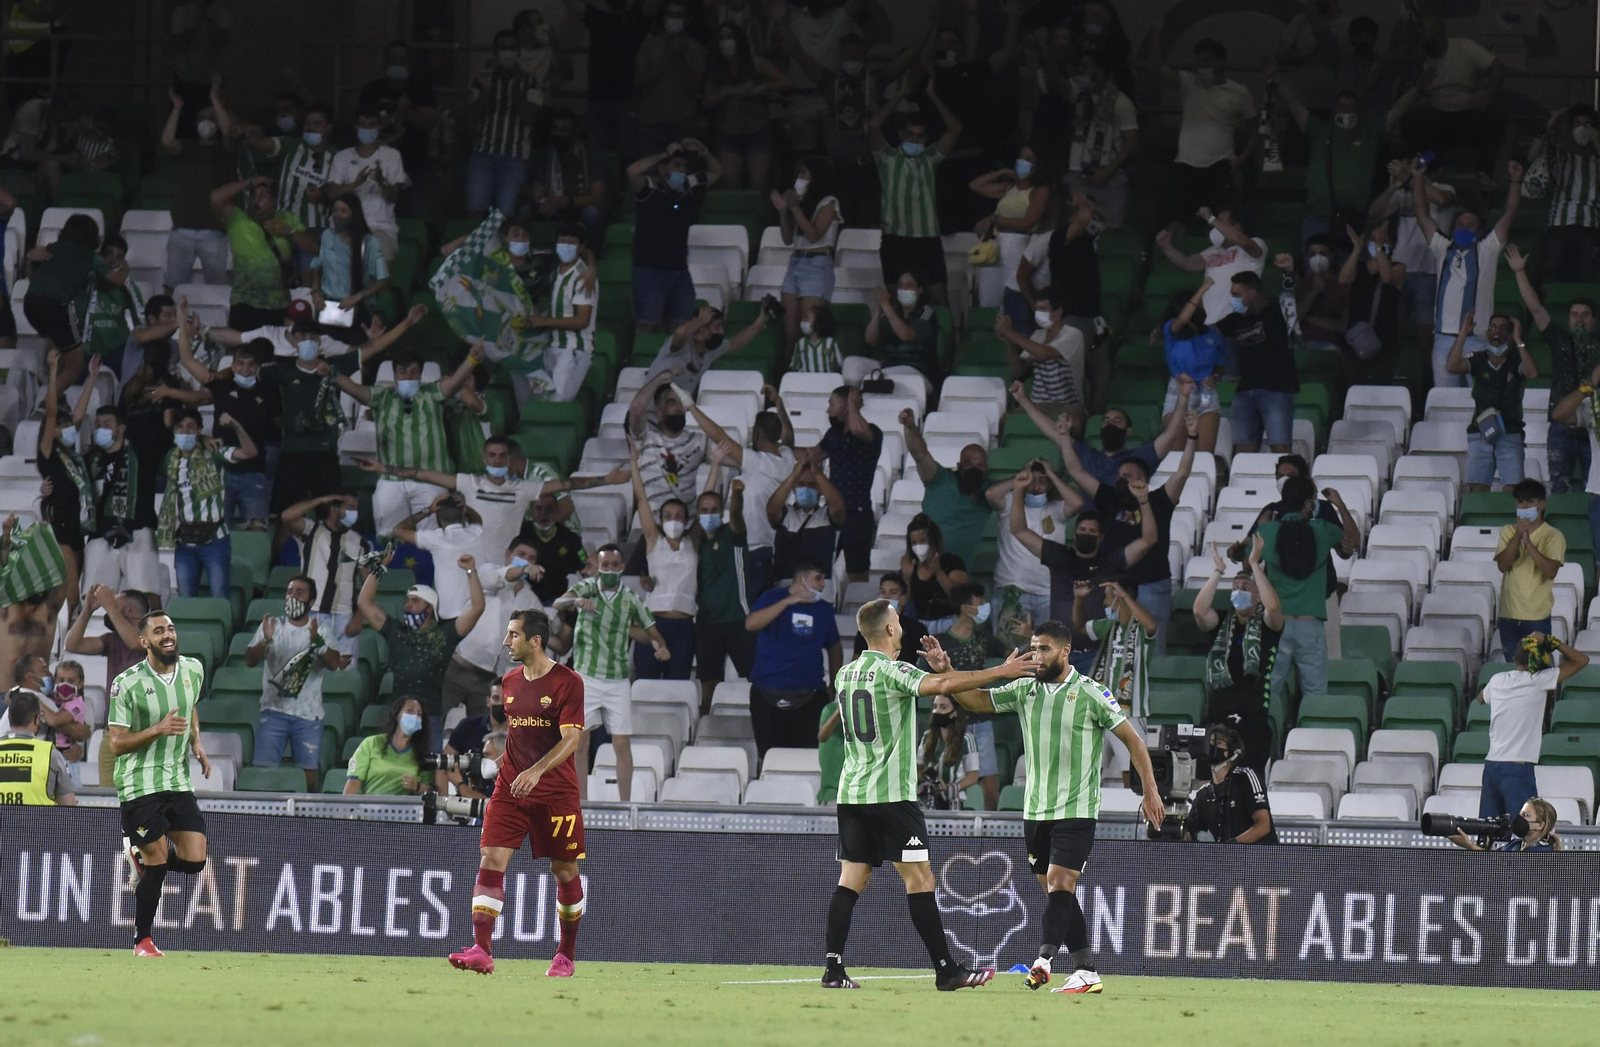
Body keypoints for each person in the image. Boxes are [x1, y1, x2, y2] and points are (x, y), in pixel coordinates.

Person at [821, 599, 1042, 991]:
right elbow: (937, 687)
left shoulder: (845, 674)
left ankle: (833, 968)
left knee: (850, 879)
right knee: (920, 878)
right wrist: (1001, 671)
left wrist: (942, 669)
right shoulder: (894, 671)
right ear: (890, 630)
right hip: (890, 795)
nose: (901, 627)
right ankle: (946, 971)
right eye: (896, 622)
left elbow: (929, 683)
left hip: (852, 793)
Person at [942, 619, 1164, 994]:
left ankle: (1043, 960)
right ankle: (1086, 970)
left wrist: (1151, 791)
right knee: (1056, 891)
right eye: (1033, 647)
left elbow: (1134, 741)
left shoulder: (1092, 692)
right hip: (1035, 810)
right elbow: (977, 698)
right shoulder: (1025, 688)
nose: (1036, 655)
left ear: (1064, 651)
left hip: (1076, 808)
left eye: (1044, 648)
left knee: (1061, 882)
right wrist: (947, 672)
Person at [448, 609, 587, 978]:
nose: (507, 641)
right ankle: (481, 949)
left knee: (564, 869)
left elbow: (572, 738)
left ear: (535, 641)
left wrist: (537, 770)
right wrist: (508, 767)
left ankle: (565, 955)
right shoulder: (509, 682)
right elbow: (520, 739)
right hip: (511, 787)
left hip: (555, 792)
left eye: (513, 635)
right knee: (490, 858)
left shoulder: (567, 682)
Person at [107, 610, 211, 958]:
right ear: (144, 641)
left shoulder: (193, 669)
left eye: (170, 629)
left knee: (195, 860)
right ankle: (143, 941)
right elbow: (116, 743)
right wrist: (157, 729)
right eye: (158, 631)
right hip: (139, 783)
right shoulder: (127, 683)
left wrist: (196, 741)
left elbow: (191, 706)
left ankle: (140, 858)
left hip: (177, 780)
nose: (167, 635)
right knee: (159, 859)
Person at [1059, 406, 1198, 653]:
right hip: (1115, 586)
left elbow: (1182, 473)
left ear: (1143, 479)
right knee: (1116, 650)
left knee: (1152, 649)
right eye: (1120, 475)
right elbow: (1076, 471)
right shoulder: (1109, 498)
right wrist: (1064, 439)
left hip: (1152, 585)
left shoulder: (1158, 500)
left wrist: (1192, 438)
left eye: (1129, 476)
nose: (1122, 479)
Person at [332, 318, 477, 537]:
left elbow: (457, 380)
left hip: (431, 479)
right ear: (394, 374)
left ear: (420, 374)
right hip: (391, 481)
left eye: (413, 372)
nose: (408, 377)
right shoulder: (381, 396)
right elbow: (352, 388)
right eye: (402, 372)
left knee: (433, 536)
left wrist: (473, 358)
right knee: (388, 535)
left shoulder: (433, 393)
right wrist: (329, 371)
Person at [553, 543, 670, 800]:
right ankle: (579, 802)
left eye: (614, 566)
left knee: (621, 743)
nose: (609, 570)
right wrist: (575, 601)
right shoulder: (587, 588)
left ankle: (625, 804)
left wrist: (660, 646)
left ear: (622, 568)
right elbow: (558, 601)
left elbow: (652, 631)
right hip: (585, 676)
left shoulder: (631, 599)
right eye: (604, 565)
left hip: (617, 678)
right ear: (598, 567)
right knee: (579, 741)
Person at [1011, 472, 1159, 673]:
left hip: (1096, 655)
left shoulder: (1110, 562)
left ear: (1100, 538)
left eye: (1092, 532)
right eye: (1082, 530)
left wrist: (1143, 500)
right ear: (1074, 533)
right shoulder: (1060, 556)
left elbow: (1148, 540)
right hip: (1057, 654)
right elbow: (1019, 530)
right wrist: (1019, 489)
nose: (1086, 534)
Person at [1411, 158, 1523, 389]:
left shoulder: (1488, 250)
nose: (1463, 228)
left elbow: (1510, 213)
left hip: (1478, 340)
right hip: (1443, 339)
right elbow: (1421, 214)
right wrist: (1418, 178)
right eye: (1460, 224)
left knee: (1479, 403)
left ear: (1480, 231)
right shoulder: (1443, 247)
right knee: (1445, 403)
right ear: (1453, 229)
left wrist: (1515, 181)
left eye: (1470, 225)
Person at [1257, 476, 1359, 711]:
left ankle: (1266, 744)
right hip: (1310, 626)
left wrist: (1263, 526)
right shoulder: (1322, 530)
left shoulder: (1268, 532)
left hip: (1275, 626)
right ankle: (1310, 744)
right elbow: (1352, 542)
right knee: (1316, 698)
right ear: (1307, 503)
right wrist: (1339, 505)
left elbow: (1244, 563)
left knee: (1266, 697)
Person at [355, 552, 486, 728]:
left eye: (415, 601)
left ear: (430, 609)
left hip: (429, 718)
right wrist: (380, 567)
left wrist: (471, 570)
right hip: (398, 717)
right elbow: (364, 601)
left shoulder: (445, 635)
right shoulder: (396, 631)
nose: (408, 605)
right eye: (407, 600)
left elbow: (477, 607)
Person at [174, 316, 279, 534]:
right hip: (220, 471)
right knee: (216, 529)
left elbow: (279, 423)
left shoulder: (269, 390)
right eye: (241, 364)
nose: (245, 369)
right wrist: (181, 323)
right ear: (232, 366)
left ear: (258, 368)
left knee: (258, 530)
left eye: (251, 365)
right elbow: (187, 360)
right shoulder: (222, 386)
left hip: (254, 472)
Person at [1511, 243, 1600, 496]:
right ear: (1569, 318)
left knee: (1595, 492)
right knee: (1559, 490)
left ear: (1593, 320)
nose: (1579, 319)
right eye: (1574, 315)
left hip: (1596, 425)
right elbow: (1536, 308)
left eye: (1585, 315)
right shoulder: (1561, 339)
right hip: (1563, 425)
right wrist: (1519, 272)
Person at [1192, 539, 1284, 779]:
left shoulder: (1267, 627)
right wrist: (1218, 571)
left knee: (1246, 782)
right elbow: (1199, 612)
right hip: (1217, 715)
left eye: (1245, 587)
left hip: (1252, 718)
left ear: (1258, 596)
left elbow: (1274, 610)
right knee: (1206, 779)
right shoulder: (1223, 625)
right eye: (1235, 587)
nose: (1239, 591)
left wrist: (1254, 565)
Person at [867, 76, 961, 304]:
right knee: (897, 300)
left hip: (927, 239)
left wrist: (933, 96)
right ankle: (898, 339)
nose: (915, 140)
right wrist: (899, 95)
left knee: (938, 301)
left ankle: (938, 338)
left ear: (926, 138)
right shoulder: (886, 157)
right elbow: (872, 126)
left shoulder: (930, 158)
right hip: (895, 239)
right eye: (910, 135)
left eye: (920, 136)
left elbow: (955, 128)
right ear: (901, 135)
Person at [246, 576, 343, 792]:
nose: (293, 596)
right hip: (273, 711)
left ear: (311, 601)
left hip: (308, 716)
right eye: (290, 592)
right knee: (262, 773)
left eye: (300, 592)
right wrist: (266, 640)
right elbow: (250, 660)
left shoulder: (321, 629)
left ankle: (309, 819)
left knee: (308, 777)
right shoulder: (272, 625)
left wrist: (318, 643)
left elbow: (335, 663)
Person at [1476, 632, 1588, 821]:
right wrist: (1553, 642)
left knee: (1486, 831)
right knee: (1528, 831)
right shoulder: (1539, 680)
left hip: (1492, 766)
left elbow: (1480, 698)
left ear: (1514, 657)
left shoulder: (1497, 680)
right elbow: (1581, 660)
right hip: (1517, 769)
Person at [1151, 33, 1258, 230]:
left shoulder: (1239, 92)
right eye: (1199, 61)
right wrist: (1157, 34)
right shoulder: (1188, 82)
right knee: (1175, 222)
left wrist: (1242, 158)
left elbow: (1256, 130)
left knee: (1218, 225)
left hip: (1219, 166)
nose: (1202, 66)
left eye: (1207, 61)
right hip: (1185, 165)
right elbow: (1158, 67)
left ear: (1221, 62)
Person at [744, 559, 841, 758]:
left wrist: (834, 682)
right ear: (800, 579)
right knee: (770, 758)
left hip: (810, 694)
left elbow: (834, 646)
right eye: (818, 578)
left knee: (806, 758)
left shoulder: (823, 609)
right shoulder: (772, 597)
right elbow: (751, 624)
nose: (823, 584)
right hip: (767, 692)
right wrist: (788, 601)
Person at [1273, 82, 1387, 248]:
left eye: (1351, 107)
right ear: (1334, 110)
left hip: (1354, 219)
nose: (1346, 111)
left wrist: (1417, 90)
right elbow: (1295, 106)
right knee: (1315, 268)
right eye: (1342, 106)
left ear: (1358, 110)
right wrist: (1275, 79)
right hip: (1317, 215)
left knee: (1351, 271)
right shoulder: (1320, 130)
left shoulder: (1370, 134)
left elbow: (1394, 114)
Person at [159, 407, 257, 598]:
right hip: (185, 541)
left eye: (190, 427)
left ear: (199, 430)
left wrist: (236, 426)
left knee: (220, 596)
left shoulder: (213, 452)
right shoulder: (170, 459)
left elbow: (249, 452)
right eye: (180, 427)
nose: (185, 432)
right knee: (186, 598)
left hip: (215, 539)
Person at [628, 139, 721, 334]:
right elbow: (632, 171)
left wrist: (704, 150)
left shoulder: (690, 186)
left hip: (679, 272)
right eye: (676, 165)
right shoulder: (649, 188)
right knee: (647, 326)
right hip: (649, 271)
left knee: (682, 329)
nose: (681, 170)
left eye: (684, 166)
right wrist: (665, 153)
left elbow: (717, 172)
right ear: (662, 169)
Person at [628, 438, 699, 680]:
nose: (674, 519)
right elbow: (641, 499)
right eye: (668, 515)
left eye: (679, 515)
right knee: (645, 680)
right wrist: (634, 463)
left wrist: (716, 467)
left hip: (684, 624)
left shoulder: (693, 543)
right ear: (660, 519)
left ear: (687, 520)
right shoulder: (653, 541)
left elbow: (707, 502)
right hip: (653, 622)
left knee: (677, 683)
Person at [23, 212, 121, 387]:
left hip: (30, 303)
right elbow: (117, 280)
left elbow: (34, 279)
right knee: (76, 364)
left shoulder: (53, 248)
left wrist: (29, 259)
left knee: (58, 351)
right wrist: (124, 266)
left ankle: (55, 396)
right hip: (55, 306)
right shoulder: (90, 256)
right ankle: (50, 402)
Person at [209, 175, 317, 331]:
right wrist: (248, 182)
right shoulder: (237, 219)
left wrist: (289, 231)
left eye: (263, 195)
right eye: (253, 195)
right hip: (245, 305)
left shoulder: (288, 218)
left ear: (274, 201)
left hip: (280, 305)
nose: (256, 200)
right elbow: (215, 198)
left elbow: (315, 248)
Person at [1446, 310, 1536, 492]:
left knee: (1512, 490)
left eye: (1504, 329)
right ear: (1487, 333)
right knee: (1477, 489)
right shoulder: (1478, 359)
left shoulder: (1516, 359)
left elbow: (1532, 373)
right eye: (1493, 327)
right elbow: (1452, 366)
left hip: (1511, 431)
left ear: (1509, 335)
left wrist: (1519, 341)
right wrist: (1463, 333)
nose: (1498, 332)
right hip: (1481, 430)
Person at [159, 83, 234, 293]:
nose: (206, 123)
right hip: (181, 230)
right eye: (202, 119)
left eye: (211, 119)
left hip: (214, 232)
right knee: (171, 287)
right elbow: (166, 140)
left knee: (217, 288)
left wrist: (215, 99)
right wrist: (176, 108)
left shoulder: (225, 150)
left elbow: (230, 132)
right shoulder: (187, 147)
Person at [989, 461, 1079, 635]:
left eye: (1042, 481)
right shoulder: (1009, 502)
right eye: (1032, 480)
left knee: (1047, 651)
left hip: (1048, 592)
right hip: (1012, 589)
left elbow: (1077, 503)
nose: (1036, 487)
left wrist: (1052, 474)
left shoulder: (1056, 508)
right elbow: (991, 494)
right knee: (1011, 652)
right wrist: (1019, 479)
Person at [1217, 266, 1297, 455]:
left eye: (1236, 294)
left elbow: (1291, 295)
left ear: (1252, 293)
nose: (1233, 300)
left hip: (1276, 389)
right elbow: (1207, 329)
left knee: (1280, 449)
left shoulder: (1277, 311)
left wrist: (1288, 272)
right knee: (1243, 450)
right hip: (1245, 391)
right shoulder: (1235, 320)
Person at [465, 29, 541, 220]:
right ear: (495, 51)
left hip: (514, 157)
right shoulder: (481, 78)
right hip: (483, 154)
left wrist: (515, 90)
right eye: (502, 48)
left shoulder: (530, 80)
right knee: (475, 211)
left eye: (511, 48)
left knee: (505, 215)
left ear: (518, 51)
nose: (507, 52)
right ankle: (476, 249)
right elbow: (468, 120)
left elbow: (532, 118)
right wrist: (485, 93)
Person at [704, 19, 786, 191]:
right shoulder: (716, 67)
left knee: (759, 186)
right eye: (722, 38)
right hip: (728, 132)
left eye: (730, 36)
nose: (726, 41)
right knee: (731, 186)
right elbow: (707, 101)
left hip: (758, 130)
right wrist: (726, 92)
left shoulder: (756, 63)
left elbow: (785, 81)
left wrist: (764, 87)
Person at [694, 481, 753, 713]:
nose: (710, 515)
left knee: (752, 676)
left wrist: (737, 493)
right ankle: (706, 725)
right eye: (704, 510)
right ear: (698, 514)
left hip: (739, 619)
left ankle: (755, 719)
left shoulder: (733, 533)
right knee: (708, 682)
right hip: (706, 624)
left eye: (715, 510)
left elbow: (736, 514)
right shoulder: (695, 545)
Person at [773, 157, 842, 356]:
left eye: (804, 173)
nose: (799, 177)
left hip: (817, 265)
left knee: (811, 328)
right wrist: (783, 211)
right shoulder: (801, 201)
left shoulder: (829, 202)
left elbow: (813, 235)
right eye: (798, 173)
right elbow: (787, 238)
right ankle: (786, 376)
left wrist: (795, 208)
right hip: (795, 262)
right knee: (790, 332)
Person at [969, 146, 1052, 311]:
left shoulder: (1040, 191)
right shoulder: (1008, 188)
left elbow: (1028, 222)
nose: (1023, 162)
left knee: (1013, 298)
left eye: (1028, 159)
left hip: (1017, 249)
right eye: (1020, 158)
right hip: (994, 248)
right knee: (989, 300)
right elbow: (974, 186)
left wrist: (996, 219)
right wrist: (1001, 172)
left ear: (1037, 165)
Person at [1524, 106, 1600, 284]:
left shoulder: (1596, 158)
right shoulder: (1561, 154)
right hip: (1560, 220)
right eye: (1577, 124)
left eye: (1587, 124)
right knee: (1552, 271)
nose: (1582, 128)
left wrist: (1595, 139)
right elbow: (1531, 155)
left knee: (1584, 273)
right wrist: (1552, 121)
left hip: (1589, 222)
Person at [1493, 480, 1566, 663]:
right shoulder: (1508, 531)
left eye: (1529, 502)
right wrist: (1518, 536)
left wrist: (1529, 545)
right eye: (1520, 502)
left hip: (1536, 616)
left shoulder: (1553, 535)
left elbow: (1550, 571)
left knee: (1538, 670)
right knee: (1513, 670)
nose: (1524, 507)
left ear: (1541, 505)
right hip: (1508, 614)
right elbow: (1503, 565)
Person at [1153, 209, 1266, 326]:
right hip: (1210, 322)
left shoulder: (1256, 244)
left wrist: (1212, 219)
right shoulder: (1212, 251)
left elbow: (1244, 242)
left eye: (1221, 222)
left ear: (1236, 226)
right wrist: (1166, 246)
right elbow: (1187, 263)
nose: (1215, 226)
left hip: (1237, 320)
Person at [1063, 53, 1138, 229]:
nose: (1081, 70)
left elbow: (1131, 142)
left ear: (1101, 71)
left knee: (1111, 227)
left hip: (1111, 176)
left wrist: (1107, 170)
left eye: (1086, 66)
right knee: (1075, 227)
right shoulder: (1076, 95)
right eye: (1080, 66)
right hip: (1078, 172)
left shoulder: (1121, 102)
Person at [325, 109, 410, 262]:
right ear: (356, 128)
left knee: (381, 265)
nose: (367, 129)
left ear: (379, 128)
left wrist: (380, 180)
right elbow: (331, 193)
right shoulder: (342, 156)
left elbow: (394, 196)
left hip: (379, 227)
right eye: (363, 125)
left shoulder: (392, 155)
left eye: (372, 125)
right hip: (344, 226)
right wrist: (356, 183)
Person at [625, 372, 713, 519]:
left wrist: (692, 407)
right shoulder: (645, 437)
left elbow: (733, 456)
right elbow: (636, 408)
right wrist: (660, 378)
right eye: (672, 402)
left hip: (687, 524)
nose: (679, 407)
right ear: (659, 412)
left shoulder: (698, 440)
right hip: (651, 526)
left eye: (682, 403)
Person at [903, 413, 991, 556]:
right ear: (959, 465)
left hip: (961, 574)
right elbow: (919, 454)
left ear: (986, 469)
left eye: (979, 465)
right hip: (926, 565)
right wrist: (910, 427)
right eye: (968, 463)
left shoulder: (990, 493)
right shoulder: (939, 479)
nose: (974, 469)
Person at [820, 386, 882, 583]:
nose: (828, 410)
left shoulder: (872, 432)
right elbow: (812, 455)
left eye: (832, 404)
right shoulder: (833, 434)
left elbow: (857, 429)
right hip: (831, 512)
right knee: (821, 571)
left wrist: (853, 406)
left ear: (846, 407)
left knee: (857, 574)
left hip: (858, 513)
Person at [309, 193, 390, 338]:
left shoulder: (370, 243)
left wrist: (357, 296)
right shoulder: (327, 236)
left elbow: (383, 280)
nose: (338, 215)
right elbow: (317, 265)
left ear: (354, 214)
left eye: (343, 211)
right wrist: (315, 292)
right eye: (335, 210)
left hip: (357, 309)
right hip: (327, 306)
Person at [1336, 219, 1407, 382]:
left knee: (1379, 392)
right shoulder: (1358, 267)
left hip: (1385, 342)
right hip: (1355, 340)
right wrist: (1357, 249)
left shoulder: (1399, 267)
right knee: (1353, 390)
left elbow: (1387, 277)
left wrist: (1380, 246)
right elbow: (1343, 279)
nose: (1376, 243)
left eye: (1382, 239)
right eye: (1373, 239)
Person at [644, 304, 773, 394]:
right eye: (717, 327)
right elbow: (680, 333)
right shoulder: (681, 345)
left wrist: (760, 321)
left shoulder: (709, 351)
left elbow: (735, 343)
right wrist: (700, 320)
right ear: (700, 332)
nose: (722, 331)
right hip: (649, 414)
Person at [1181, 725, 1277, 844]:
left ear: (1231, 750)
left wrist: (1230, 847)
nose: (1212, 747)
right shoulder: (1204, 794)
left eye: (1218, 743)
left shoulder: (1246, 777)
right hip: (1227, 860)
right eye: (1209, 743)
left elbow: (1263, 825)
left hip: (1261, 858)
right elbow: (1189, 836)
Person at [1158, 281, 1225, 452]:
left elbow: (1220, 363)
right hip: (1179, 391)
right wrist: (1203, 288)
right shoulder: (1172, 330)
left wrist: (1215, 377)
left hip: (1205, 393)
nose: (1201, 306)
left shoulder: (1211, 332)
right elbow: (1184, 318)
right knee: (1176, 453)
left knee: (1204, 456)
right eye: (1198, 303)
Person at [996, 292, 1085, 415]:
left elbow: (1044, 354)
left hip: (1066, 407)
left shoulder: (1073, 334)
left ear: (1058, 312)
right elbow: (1017, 371)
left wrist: (1010, 332)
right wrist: (1009, 340)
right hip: (1037, 404)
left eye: (1042, 309)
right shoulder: (1038, 335)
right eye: (1036, 309)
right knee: (1003, 421)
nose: (1038, 313)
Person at [767, 449, 845, 584]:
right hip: (785, 586)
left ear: (820, 490)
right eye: (801, 484)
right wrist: (793, 475)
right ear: (793, 488)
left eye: (812, 485)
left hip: (820, 586)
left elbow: (838, 508)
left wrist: (817, 473)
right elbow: (772, 511)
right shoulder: (786, 514)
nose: (806, 488)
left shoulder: (826, 516)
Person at [344, 696, 430, 796]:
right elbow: (353, 782)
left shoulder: (423, 754)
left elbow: (430, 790)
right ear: (397, 715)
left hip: (403, 810)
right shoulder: (371, 743)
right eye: (410, 711)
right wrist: (344, 811)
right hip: (367, 808)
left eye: (419, 714)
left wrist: (417, 786)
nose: (415, 716)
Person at [0, 692, 76, 805]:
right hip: (37, 822)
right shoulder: (50, 754)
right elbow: (68, 805)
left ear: (10, 717)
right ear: (36, 719)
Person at [897, 513, 968, 630]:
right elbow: (908, 603)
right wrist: (908, 577)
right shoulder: (912, 566)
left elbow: (960, 597)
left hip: (949, 624)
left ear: (933, 540)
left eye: (922, 541)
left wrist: (938, 572)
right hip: (920, 625)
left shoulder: (952, 562)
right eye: (914, 543)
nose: (918, 546)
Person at [867, 273, 940, 384]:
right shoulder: (893, 313)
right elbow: (870, 339)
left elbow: (906, 335)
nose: (904, 289)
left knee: (890, 376)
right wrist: (879, 310)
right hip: (888, 365)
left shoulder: (926, 313)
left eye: (909, 285)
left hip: (915, 367)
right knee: (851, 364)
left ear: (919, 290)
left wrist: (886, 305)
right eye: (901, 285)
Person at [437, 680, 505, 797]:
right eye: (496, 698)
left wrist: (459, 784)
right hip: (465, 804)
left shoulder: (524, 733)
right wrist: (443, 806)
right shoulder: (468, 727)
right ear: (488, 701)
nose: (500, 704)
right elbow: (442, 765)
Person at [916, 693, 978, 811]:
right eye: (935, 707)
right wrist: (928, 779)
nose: (937, 711)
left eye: (943, 707)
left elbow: (973, 775)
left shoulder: (967, 739)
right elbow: (919, 766)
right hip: (928, 800)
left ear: (954, 712)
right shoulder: (926, 737)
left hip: (954, 801)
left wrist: (950, 788)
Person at [851, 573, 927, 662]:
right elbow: (857, 660)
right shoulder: (869, 626)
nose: (886, 597)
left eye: (893, 592)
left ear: (903, 599)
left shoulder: (916, 628)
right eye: (883, 592)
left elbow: (923, 663)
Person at [1450, 797, 1565, 853]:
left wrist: (1470, 846)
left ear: (1539, 825)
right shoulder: (1514, 844)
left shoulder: (1543, 851)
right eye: (1520, 814)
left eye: (1526, 815)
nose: (1519, 819)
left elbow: (1507, 871)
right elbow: (1492, 864)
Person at [790, 300, 843, 374]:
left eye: (807, 318)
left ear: (818, 322)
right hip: (805, 381)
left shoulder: (831, 343)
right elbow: (795, 366)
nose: (803, 322)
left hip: (827, 381)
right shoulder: (800, 343)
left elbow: (838, 365)